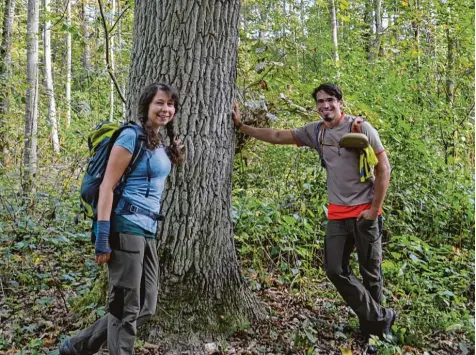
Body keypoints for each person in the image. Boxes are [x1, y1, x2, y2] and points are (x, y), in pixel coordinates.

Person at [232, 83, 395, 341]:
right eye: (320, 101)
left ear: (340, 101)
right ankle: (381, 317)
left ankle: (373, 334)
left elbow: (383, 168)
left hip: (365, 213)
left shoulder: (360, 127)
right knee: (334, 269)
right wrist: (242, 127)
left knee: (370, 273)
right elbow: (277, 136)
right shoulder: (315, 132)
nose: (325, 105)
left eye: (330, 100)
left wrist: (375, 210)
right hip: (338, 215)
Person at [60, 82, 185, 355]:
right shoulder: (131, 137)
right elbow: (106, 187)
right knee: (126, 306)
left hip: (147, 229)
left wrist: (173, 153)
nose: (166, 109)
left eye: (170, 104)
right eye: (160, 103)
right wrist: (102, 238)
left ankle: (78, 346)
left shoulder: (158, 141)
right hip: (125, 226)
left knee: (146, 304)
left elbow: (149, 175)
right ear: (146, 106)